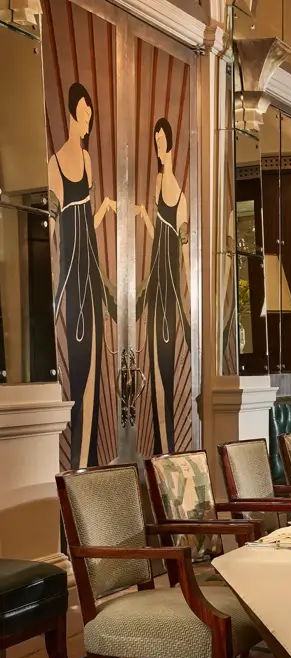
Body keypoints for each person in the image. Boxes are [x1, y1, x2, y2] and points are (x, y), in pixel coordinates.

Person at [48, 82, 116, 469]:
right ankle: (76, 464)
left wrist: (104, 208)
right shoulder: (54, 166)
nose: (88, 121)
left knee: (93, 367)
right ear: (72, 113)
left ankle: (89, 461)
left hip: (90, 272)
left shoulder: (88, 161)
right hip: (71, 277)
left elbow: (86, 224)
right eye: (85, 114)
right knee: (77, 365)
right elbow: (56, 234)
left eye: (91, 115)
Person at [135, 117, 190, 454]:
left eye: (161, 140)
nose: (157, 145)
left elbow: (180, 248)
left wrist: (185, 294)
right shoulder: (157, 183)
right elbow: (160, 236)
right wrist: (143, 216)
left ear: (169, 143)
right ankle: (160, 447)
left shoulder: (180, 195)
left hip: (170, 283)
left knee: (166, 361)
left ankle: (169, 447)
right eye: (154, 140)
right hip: (157, 278)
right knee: (155, 356)